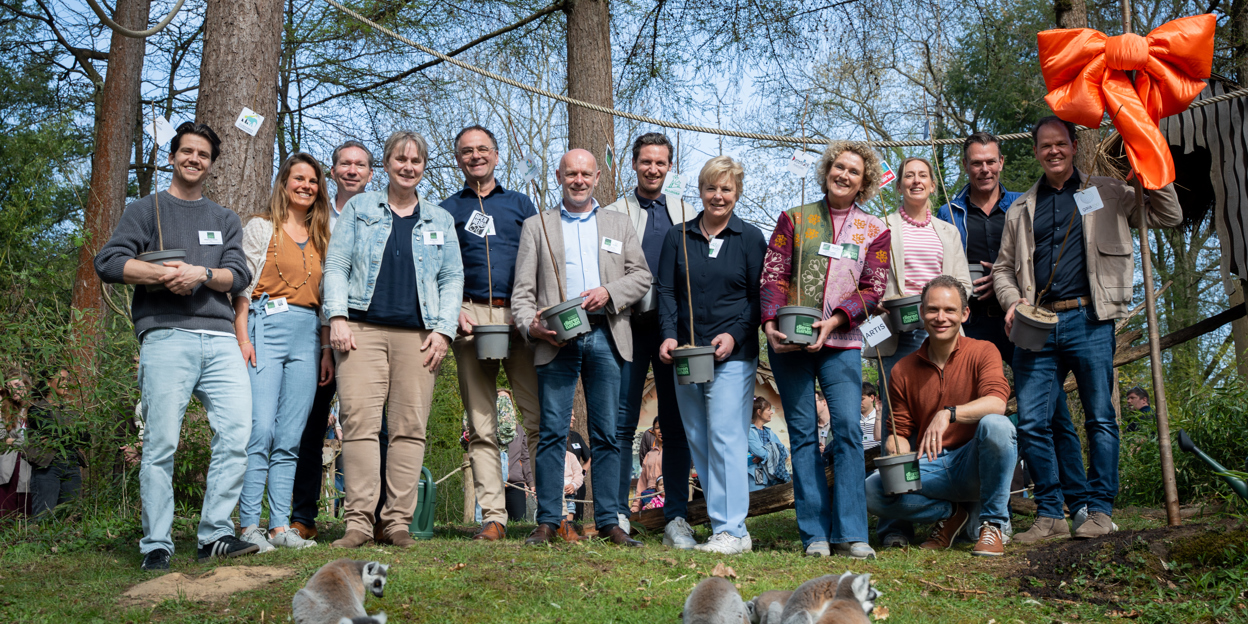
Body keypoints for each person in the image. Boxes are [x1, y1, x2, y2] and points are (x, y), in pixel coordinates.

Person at [995, 116, 1181, 542]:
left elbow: (1169, 215)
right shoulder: (1021, 208)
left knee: (1100, 418)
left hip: (1091, 319)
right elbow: (1004, 269)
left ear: (1074, 146)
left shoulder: (1108, 191)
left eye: (1060, 143)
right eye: (1045, 145)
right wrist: (1012, 301)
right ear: (1036, 152)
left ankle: (1099, 511)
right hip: (1038, 323)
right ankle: (1050, 514)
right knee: (1032, 423)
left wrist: (1151, 172)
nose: (1053, 151)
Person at [94, 121, 256, 570]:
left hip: (221, 339)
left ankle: (215, 535)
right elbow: (108, 262)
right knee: (160, 443)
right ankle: (157, 544)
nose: (194, 159)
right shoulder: (146, 210)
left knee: (237, 436)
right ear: (172, 157)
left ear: (211, 164)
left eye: (203, 154)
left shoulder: (224, 219)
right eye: (187, 151)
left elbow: (238, 275)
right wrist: (164, 275)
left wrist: (201, 274)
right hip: (165, 334)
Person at [935, 131, 1088, 547]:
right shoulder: (949, 212)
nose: (984, 169)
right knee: (968, 412)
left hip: (1019, 321)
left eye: (991, 162)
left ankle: (1074, 502)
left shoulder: (1023, 205)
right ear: (965, 166)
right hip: (970, 326)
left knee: (1051, 413)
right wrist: (964, 287)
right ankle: (969, 510)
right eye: (976, 163)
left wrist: (1004, 285)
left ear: (1001, 163)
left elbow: (1043, 258)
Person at [323, 130, 464, 548]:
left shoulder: (440, 219)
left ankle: (398, 522)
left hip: (419, 337)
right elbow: (337, 264)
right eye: (400, 159)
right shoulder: (361, 208)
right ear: (385, 165)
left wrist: (444, 330)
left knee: (409, 429)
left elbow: (452, 277)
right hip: (361, 332)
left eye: (416, 160)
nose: (408, 166)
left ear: (423, 167)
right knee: (359, 426)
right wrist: (337, 317)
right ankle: (358, 524)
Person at [511, 148, 651, 547]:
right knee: (552, 432)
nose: (578, 180)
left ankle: (608, 521)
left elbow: (641, 276)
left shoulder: (618, 223)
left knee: (607, 433)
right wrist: (530, 325)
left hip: (607, 334)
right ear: (559, 176)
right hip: (556, 338)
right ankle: (548, 521)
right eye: (571, 173)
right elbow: (522, 293)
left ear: (597, 178)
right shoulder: (537, 226)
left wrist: (609, 291)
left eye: (586, 174)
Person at [760, 140, 892, 560]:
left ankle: (851, 533)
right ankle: (815, 534)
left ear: (864, 181)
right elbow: (773, 275)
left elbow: (874, 288)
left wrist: (835, 320)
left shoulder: (875, 229)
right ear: (827, 170)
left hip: (843, 343)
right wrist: (770, 324)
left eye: (854, 171)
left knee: (849, 430)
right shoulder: (794, 218)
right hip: (792, 342)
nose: (844, 175)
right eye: (839, 167)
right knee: (803, 434)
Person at [657, 155, 765, 554]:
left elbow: (758, 298)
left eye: (726, 189)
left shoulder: (750, 238)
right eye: (711, 188)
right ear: (700, 191)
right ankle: (726, 526)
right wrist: (669, 336)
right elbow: (666, 291)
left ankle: (732, 529)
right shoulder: (678, 237)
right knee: (699, 438)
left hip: (732, 355)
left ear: (737, 193)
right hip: (688, 354)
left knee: (725, 436)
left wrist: (734, 335)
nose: (718, 196)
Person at [865, 275, 1016, 556]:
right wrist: (896, 450)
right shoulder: (902, 369)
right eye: (933, 309)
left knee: (998, 425)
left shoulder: (984, 351)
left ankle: (993, 524)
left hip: (974, 464)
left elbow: (997, 403)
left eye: (950, 310)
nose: (941, 317)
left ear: (965, 314)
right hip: (931, 467)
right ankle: (952, 514)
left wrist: (948, 414)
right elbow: (899, 430)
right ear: (922, 312)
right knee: (872, 489)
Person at [441, 125, 542, 542]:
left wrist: (531, 311)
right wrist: (452, 312)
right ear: (458, 159)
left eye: (483, 149)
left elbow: (541, 259)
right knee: (481, 424)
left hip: (520, 316)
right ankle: (494, 518)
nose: (475, 156)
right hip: (470, 316)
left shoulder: (521, 204)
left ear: (496, 156)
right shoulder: (447, 210)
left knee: (537, 419)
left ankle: (551, 514)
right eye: (467, 151)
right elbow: (437, 268)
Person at [231, 153, 334, 552]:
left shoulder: (322, 234)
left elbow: (326, 301)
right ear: (285, 183)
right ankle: (248, 526)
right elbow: (242, 287)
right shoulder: (261, 227)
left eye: (313, 181)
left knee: (291, 435)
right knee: (261, 430)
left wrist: (325, 349)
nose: (306, 186)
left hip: (308, 335)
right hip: (265, 328)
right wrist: (243, 338)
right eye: (299, 178)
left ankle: (279, 527)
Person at [605, 132, 695, 544]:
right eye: (646, 161)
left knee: (676, 423)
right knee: (621, 421)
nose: (653, 169)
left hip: (673, 329)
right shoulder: (614, 212)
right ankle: (615, 513)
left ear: (670, 167)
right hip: (627, 325)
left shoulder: (686, 211)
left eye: (660, 162)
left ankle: (676, 515)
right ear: (634, 164)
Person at [289, 140, 376, 542]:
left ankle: (376, 517)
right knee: (310, 423)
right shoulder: (316, 217)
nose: (352, 170)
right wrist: (326, 340)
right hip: (319, 331)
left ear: (371, 173)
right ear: (334, 170)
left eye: (360, 164)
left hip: (369, 330)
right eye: (345, 164)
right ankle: (303, 516)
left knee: (373, 427)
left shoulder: (381, 213)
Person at [880, 157, 973, 393]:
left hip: (942, 329)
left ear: (932, 185)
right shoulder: (881, 227)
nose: (916, 181)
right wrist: (876, 300)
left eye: (923, 175)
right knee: (898, 405)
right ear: (899, 186)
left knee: (947, 400)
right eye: (909, 175)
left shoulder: (949, 232)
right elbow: (866, 277)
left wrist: (945, 307)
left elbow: (964, 283)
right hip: (897, 331)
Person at [24, 369, 87, 518]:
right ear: (48, 382)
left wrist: (61, 436)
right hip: (48, 466)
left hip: (72, 465)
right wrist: (71, 434)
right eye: (62, 379)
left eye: (68, 380)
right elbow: (50, 430)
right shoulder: (37, 409)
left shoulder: (72, 411)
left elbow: (85, 437)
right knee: (44, 517)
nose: (66, 384)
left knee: (70, 516)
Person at [748, 397, 790, 492]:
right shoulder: (749, 431)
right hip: (758, 471)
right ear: (759, 412)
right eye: (768, 410)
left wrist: (764, 457)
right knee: (759, 496)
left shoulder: (769, 432)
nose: (772, 412)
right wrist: (773, 452)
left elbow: (785, 452)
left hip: (773, 475)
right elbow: (760, 453)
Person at [631, 425, 663, 513]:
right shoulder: (649, 455)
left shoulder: (674, 453)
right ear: (653, 431)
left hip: (667, 496)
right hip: (648, 497)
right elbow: (642, 482)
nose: (660, 431)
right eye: (657, 428)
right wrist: (635, 506)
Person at [859, 382, 881, 453]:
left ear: (872, 398)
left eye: (862, 399)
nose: (858, 402)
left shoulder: (880, 418)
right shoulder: (853, 419)